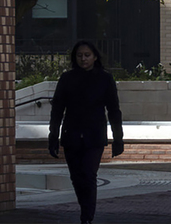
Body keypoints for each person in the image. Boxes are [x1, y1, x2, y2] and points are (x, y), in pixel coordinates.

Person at [48, 40, 124, 224]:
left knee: (89, 175)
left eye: (87, 55)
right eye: (80, 55)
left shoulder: (105, 79)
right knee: (77, 177)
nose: (83, 59)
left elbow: (113, 110)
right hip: (71, 134)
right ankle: (86, 210)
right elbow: (57, 109)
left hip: (94, 135)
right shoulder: (67, 79)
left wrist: (118, 138)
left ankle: (87, 217)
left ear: (95, 57)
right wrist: (53, 136)